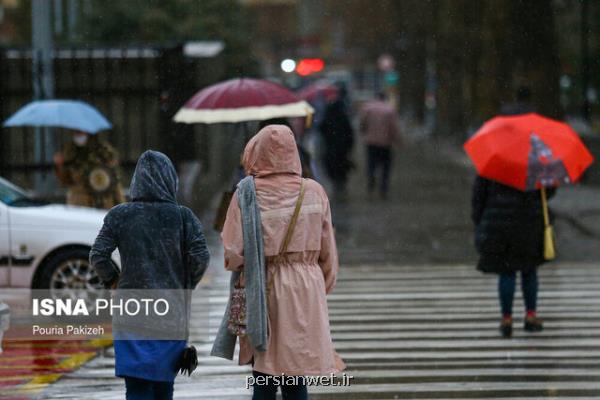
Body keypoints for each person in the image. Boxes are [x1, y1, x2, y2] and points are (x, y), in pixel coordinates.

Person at [212, 125, 344, 400]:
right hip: (306, 286)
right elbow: (328, 252)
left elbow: (233, 252)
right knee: (295, 372)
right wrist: (320, 286)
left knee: (264, 372)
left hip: (264, 285)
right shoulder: (314, 191)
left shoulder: (246, 193)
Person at [90, 150, 210, 400]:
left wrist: (115, 280)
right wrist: (184, 283)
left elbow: (98, 255)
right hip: (171, 314)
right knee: (164, 385)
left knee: (136, 387)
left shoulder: (119, 215)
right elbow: (200, 258)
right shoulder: (183, 217)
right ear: (171, 180)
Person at [472, 176, 554, 338]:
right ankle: (530, 315)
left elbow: (479, 195)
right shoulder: (537, 164)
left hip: (500, 223)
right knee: (529, 270)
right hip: (530, 220)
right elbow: (548, 192)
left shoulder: (493, 163)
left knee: (506, 270)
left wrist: (479, 219)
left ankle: (507, 319)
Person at [54, 130, 125, 208]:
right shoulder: (69, 152)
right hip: (80, 202)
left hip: (104, 201)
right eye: (76, 132)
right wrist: (59, 166)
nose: (78, 136)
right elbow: (65, 181)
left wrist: (120, 202)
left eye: (81, 132)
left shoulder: (104, 152)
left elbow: (114, 179)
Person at [359, 93, 402, 198]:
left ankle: (371, 177)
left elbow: (362, 124)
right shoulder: (389, 110)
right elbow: (393, 127)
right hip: (385, 143)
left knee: (371, 163)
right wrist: (397, 140)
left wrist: (364, 132)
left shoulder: (367, 108)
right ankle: (383, 188)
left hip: (371, 142)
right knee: (386, 167)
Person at [319, 85, 354, 199]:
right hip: (342, 147)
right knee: (341, 166)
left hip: (331, 147)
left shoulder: (328, 116)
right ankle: (341, 183)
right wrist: (349, 145)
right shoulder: (343, 116)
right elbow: (349, 132)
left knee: (332, 165)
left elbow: (322, 128)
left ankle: (336, 183)